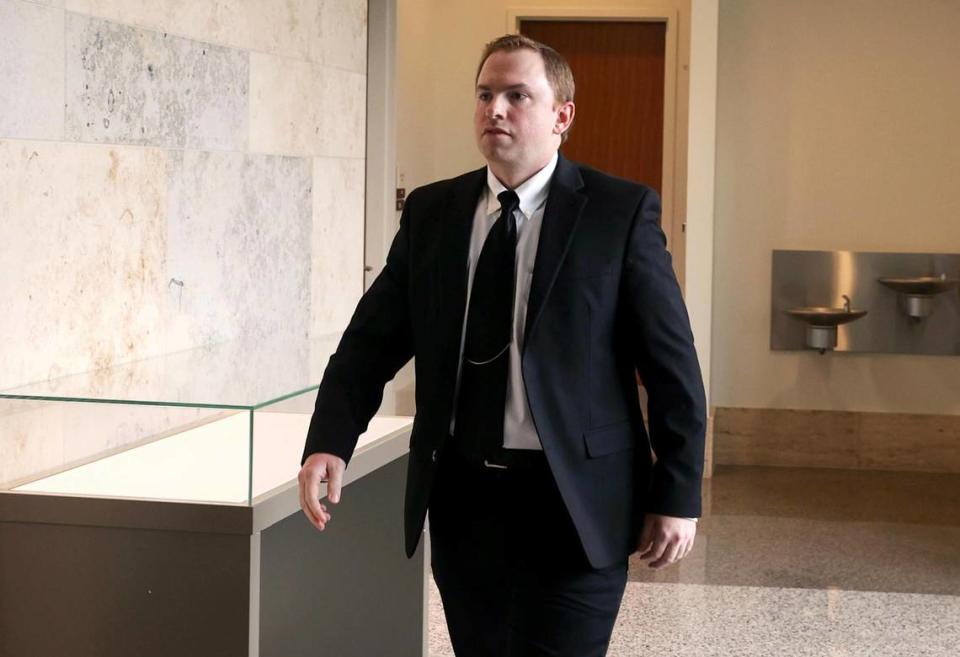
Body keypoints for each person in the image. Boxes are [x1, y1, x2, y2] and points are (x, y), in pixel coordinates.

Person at [298, 33, 706, 657]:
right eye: (486, 95)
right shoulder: (434, 213)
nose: (496, 109)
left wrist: (677, 494)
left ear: (561, 115)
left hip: (575, 503)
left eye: (518, 96)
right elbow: (370, 342)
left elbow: (672, 367)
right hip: (465, 500)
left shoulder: (618, 214)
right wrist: (330, 437)